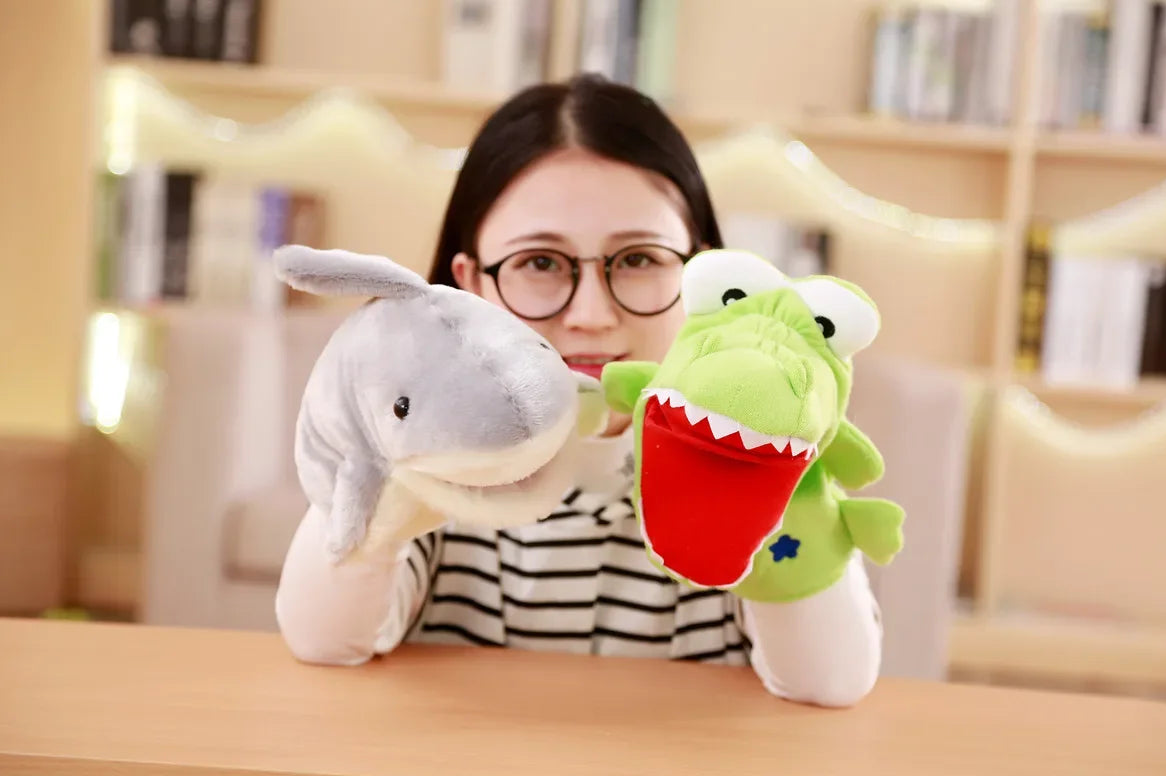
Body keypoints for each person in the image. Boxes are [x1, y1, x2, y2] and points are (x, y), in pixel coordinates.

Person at [275, 74, 883, 707]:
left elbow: (829, 682)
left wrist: (774, 466)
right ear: (470, 284)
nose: (591, 314)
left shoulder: (761, 446)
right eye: (539, 263)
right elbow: (324, 641)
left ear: (703, 275)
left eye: (640, 259)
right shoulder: (428, 451)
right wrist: (383, 453)